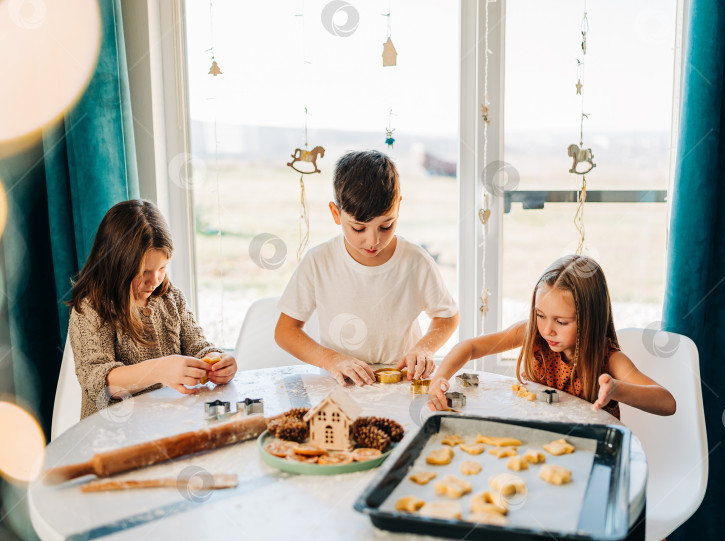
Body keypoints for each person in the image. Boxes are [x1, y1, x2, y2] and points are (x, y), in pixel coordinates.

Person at [275, 150, 460, 386]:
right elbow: (285, 332)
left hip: (402, 382)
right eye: (359, 228)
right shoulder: (318, 262)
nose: (373, 241)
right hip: (341, 383)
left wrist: (424, 349)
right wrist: (331, 360)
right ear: (336, 213)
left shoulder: (416, 261)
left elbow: (447, 317)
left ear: (398, 207)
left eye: (386, 225)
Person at [427, 255, 676, 418]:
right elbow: (470, 347)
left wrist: (617, 390)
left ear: (590, 319)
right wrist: (439, 378)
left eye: (561, 321)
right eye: (540, 315)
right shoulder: (533, 333)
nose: (547, 330)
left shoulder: (609, 359)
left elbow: (667, 403)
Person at [68, 200, 237, 419]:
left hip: (168, 421)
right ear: (115, 262)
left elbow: (197, 344)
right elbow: (97, 381)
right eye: (144, 271)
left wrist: (216, 360)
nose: (154, 280)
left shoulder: (170, 297)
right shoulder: (91, 307)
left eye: (162, 268)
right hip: (113, 432)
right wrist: (158, 370)